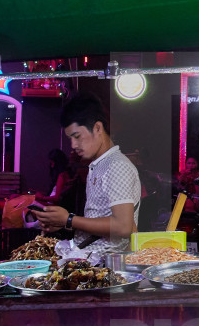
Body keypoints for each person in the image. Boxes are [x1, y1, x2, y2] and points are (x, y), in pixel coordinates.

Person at [31, 94, 140, 263]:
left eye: (77, 136)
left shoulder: (117, 165)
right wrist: (64, 223)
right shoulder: (99, 165)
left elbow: (123, 226)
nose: (73, 146)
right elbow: (97, 220)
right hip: (89, 258)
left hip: (105, 266)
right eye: (70, 139)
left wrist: (69, 219)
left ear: (97, 128)